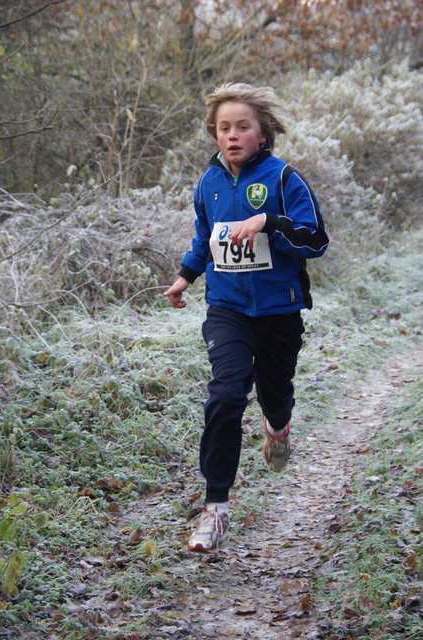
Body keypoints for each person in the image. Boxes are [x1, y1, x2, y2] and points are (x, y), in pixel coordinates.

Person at [164, 83, 329, 553]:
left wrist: (268, 223)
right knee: (226, 391)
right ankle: (215, 508)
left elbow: (315, 240)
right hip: (228, 308)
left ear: (263, 133)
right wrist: (185, 277)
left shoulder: (283, 180)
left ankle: (278, 427)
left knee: (275, 394)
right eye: (223, 128)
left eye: (242, 127)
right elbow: (205, 239)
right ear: (214, 135)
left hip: (279, 310)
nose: (232, 135)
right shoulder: (208, 183)